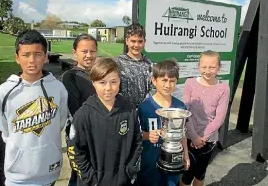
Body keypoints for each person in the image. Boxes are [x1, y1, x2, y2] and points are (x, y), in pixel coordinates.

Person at [0, 29, 68, 186]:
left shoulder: (58, 89)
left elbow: (59, 122)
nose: (32, 60)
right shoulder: (3, 93)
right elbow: (3, 127)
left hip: (49, 170)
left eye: (38, 54)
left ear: (46, 57)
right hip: (17, 175)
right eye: (26, 55)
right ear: (17, 58)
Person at [67, 57, 142, 186]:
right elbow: (75, 150)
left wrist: (129, 170)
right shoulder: (83, 115)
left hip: (122, 180)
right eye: (102, 82)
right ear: (93, 83)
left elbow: (137, 142)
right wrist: (90, 178)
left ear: (120, 81)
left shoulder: (129, 110)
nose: (108, 88)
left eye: (113, 82)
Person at [180, 50, 230, 186]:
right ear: (199, 66)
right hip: (189, 137)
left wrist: (203, 137)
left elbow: (219, 117)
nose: (207, 71)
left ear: (219, 67)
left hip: (208, 140)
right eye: (204, 67)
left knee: (200, 173)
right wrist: (194, 136)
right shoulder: (190, 83)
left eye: (212, 67)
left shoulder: (223, 88)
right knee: (186, 173)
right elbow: (186, 112)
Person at [137, 59, 190, 186]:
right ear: (154, 81)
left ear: (177, 81)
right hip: (150, 162)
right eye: (164, 80)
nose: (168, 85)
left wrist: (186, 154)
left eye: (172, 81)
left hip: (173, 162)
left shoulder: (180, 107)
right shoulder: (145, 107)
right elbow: (137, 135)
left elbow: (182, 134)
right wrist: (148, 135)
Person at [61, 33, 98, 186]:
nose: (89, 55)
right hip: (80, 137)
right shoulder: (70, 77)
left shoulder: (99, 75)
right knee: (80, 177)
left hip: (100, 135)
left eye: (92, 51)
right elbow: (76, 112)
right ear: (74, 52)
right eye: (84, 51)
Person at [115, 23, 153, 108]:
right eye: (133, 41)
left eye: (140, 41)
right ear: (126, 41)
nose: (136, 45)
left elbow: (153, 89)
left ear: (144, 42)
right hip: (124, 112)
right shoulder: (117, 63)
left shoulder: (149, 64)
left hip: (144, 111)